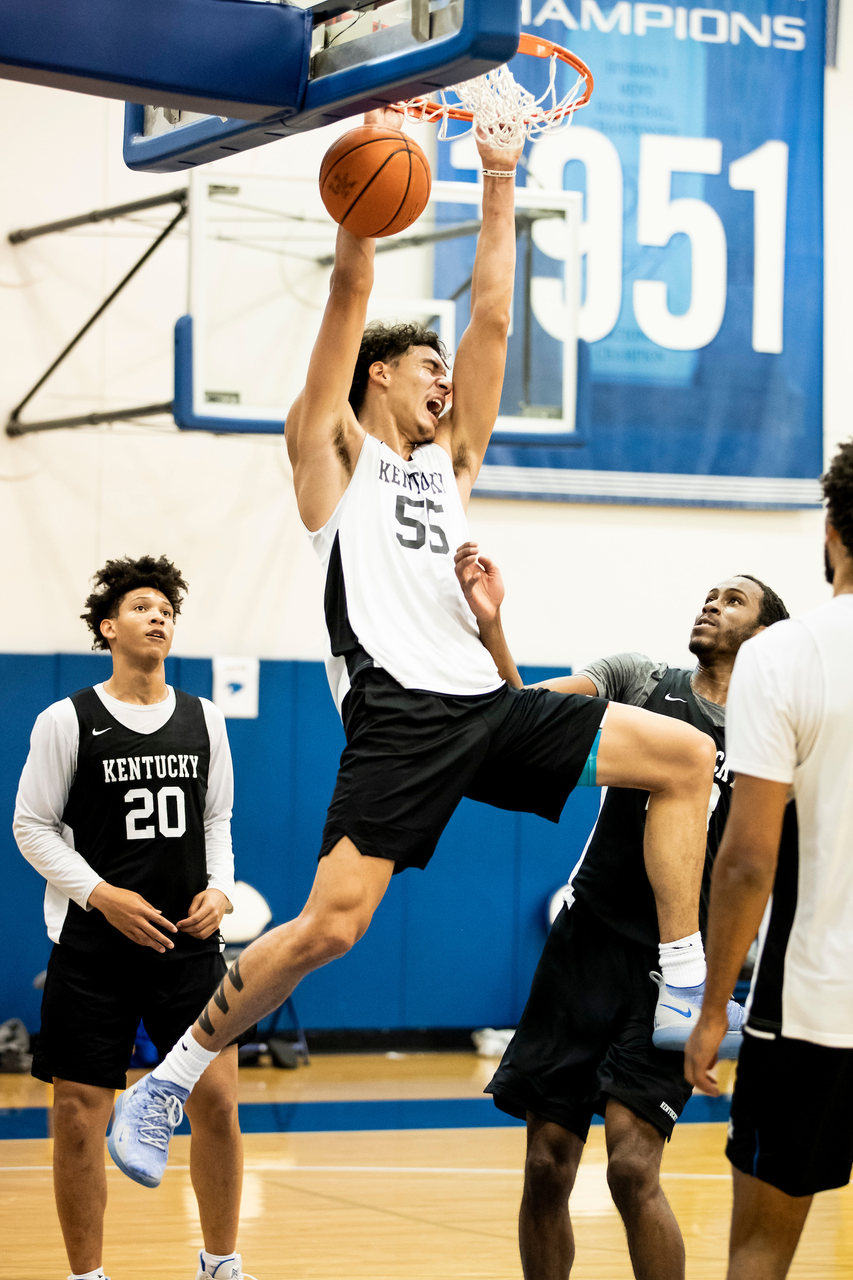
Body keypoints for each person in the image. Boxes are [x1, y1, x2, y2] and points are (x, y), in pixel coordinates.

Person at [107, 108, 720, 1191]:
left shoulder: (452, 467)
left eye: (446, 370)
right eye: (425, 367)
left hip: (489, 699)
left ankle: (681, 974)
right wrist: (361, 216)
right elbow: (348, 300)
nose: (446, 379)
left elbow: (492, 313)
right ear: (380, 378)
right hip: (398, 714)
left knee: (680, 755)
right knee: (331, 928)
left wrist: (496, 173)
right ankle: (171, 1078)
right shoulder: (330, 462)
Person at [453, 541, 788, 1280]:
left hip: (679, 970)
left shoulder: (778, 732)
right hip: (586, 943)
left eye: (733, 599)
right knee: (545, 1162)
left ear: (763, 636)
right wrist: (491, 626)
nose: (711, 603)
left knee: (632, 1167)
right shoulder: (639, 680)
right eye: (708, 592)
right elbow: (521, 720)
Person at [13, 556, 254, 1280]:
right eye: (143, 607)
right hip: (92, 946)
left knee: (216, 1102)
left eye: (167, 610)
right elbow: (32, 827)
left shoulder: (203, 718)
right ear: (107, 627)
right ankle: (86, 1275)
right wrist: (101, 894)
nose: (159, 617)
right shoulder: (66, 720)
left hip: (187, 946)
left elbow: (219, 819)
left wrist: (222, 887)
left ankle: (219, 1263)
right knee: (79, 1113)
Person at [685, 441, 853, 1280]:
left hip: (811, 1010)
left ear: (830, 531)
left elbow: (746, 859)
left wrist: (712, 1006)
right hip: (813, 1007)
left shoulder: (781, 654)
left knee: (759, 1250)